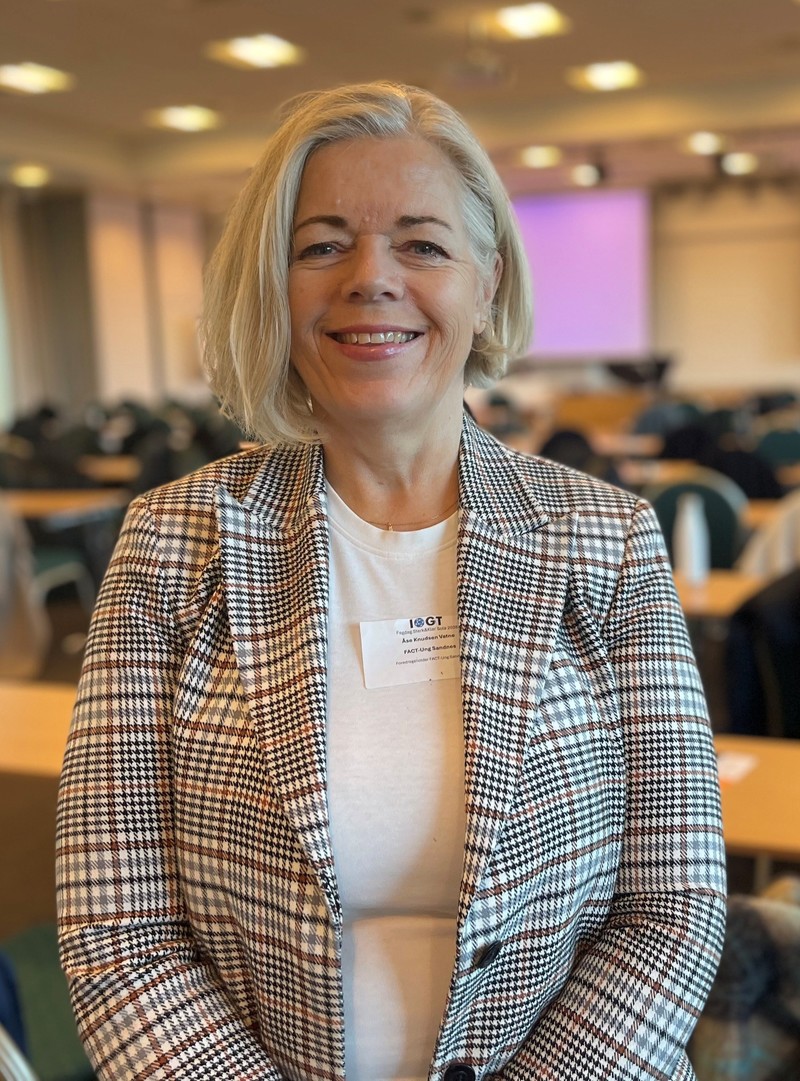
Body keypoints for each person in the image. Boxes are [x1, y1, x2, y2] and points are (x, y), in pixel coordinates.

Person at [56, 81, 727, 1081]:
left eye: (421, 244)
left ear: (486, 282)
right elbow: (119, 929)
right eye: (322, 245)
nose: (370, 277)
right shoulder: (170, 543)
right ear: (274, 287)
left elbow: (671, 906)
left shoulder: (608, 537)